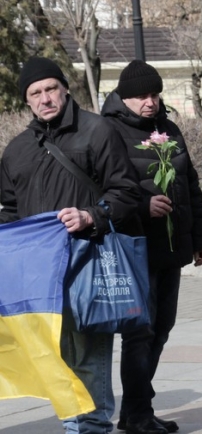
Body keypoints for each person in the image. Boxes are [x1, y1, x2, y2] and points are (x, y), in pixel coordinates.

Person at [0, 56, 142, 434]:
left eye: (50, 88)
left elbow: (127, 192)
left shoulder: (98, 132)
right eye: (36, 93)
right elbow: (9, 212)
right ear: (27, 101)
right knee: (55, 356)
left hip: (87, 260)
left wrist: (90, 216)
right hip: (37, 277)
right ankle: (74, 422)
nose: (45, 98)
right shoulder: (16, 150)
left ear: (64, 89)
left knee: (88, 351)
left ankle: (91, 426)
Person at [101, 60, 202, 434]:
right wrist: (141, 206)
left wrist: (201, 238)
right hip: (134, 248)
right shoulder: (108, 132)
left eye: (154, 94)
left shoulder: (170, 129)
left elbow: (190, 187)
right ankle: (138, 413)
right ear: (123, 97)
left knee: (162, 328)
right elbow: (100, 190)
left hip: (170, 246)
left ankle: (135, 413)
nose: (150, 102)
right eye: (141, 96)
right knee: (140, 332)